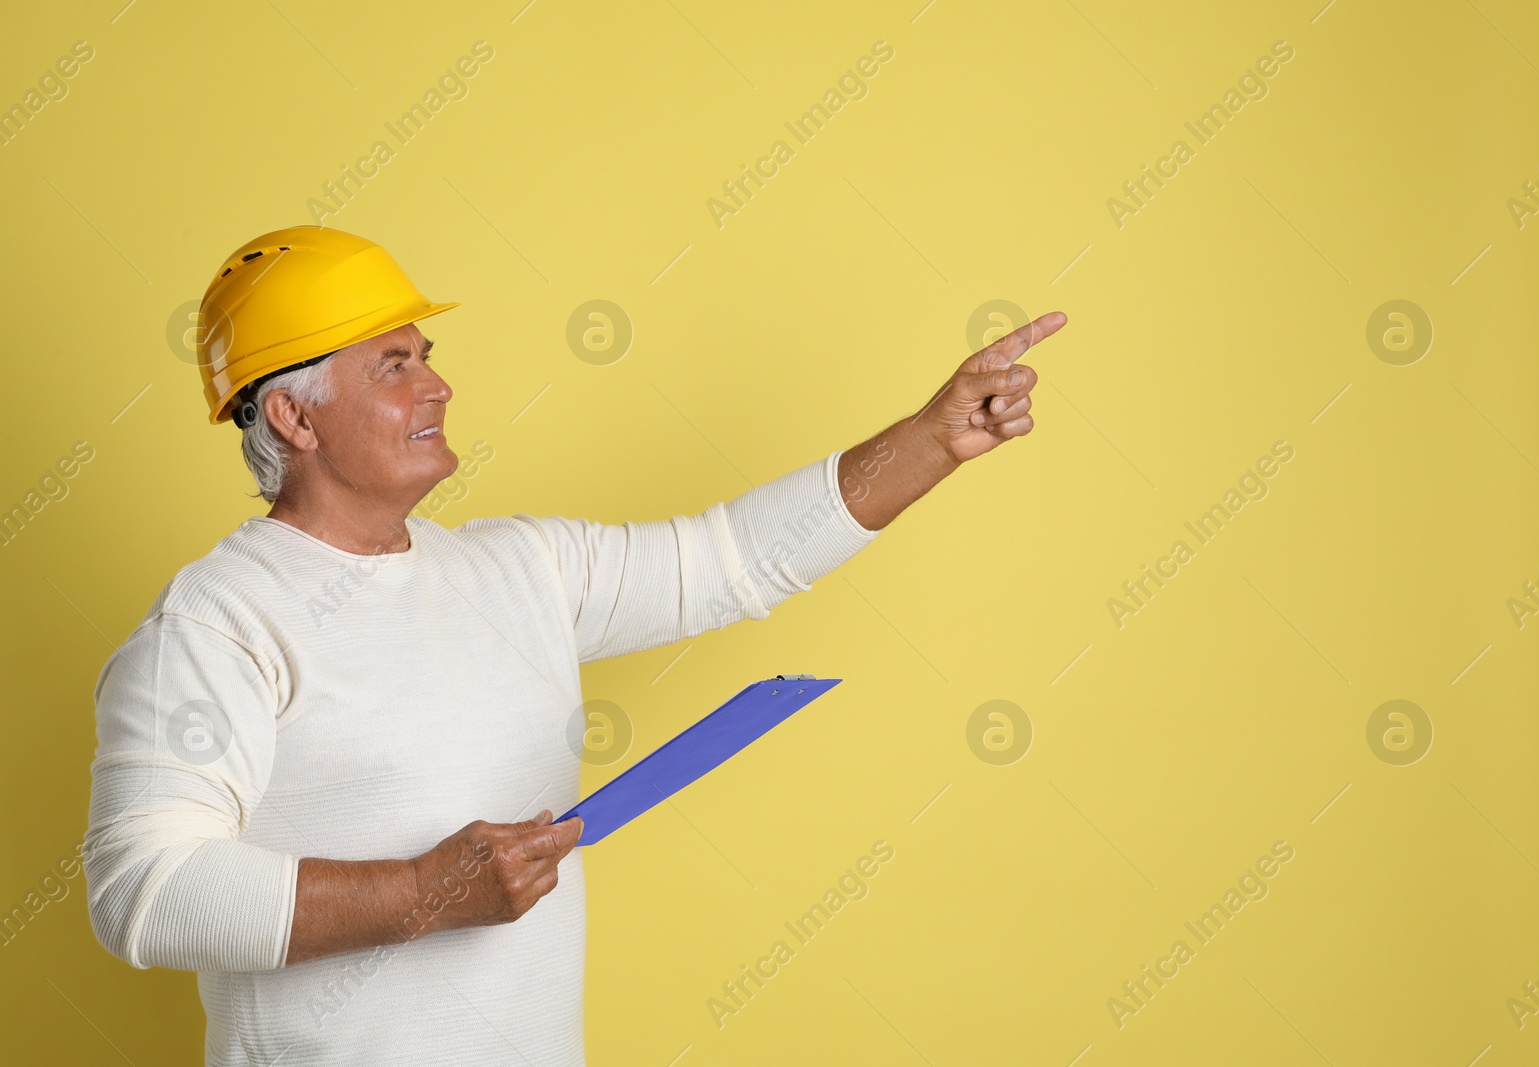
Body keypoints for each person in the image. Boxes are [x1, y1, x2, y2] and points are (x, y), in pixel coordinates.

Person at [83, 225, 1065, 1065]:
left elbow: (730, 560)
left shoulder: (521, 568)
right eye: (396, 364)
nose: (440, 384)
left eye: (427, 353)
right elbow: (146, 888)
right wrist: (424, 891)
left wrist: (933, 438)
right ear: (295, 414)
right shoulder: (215, 623)